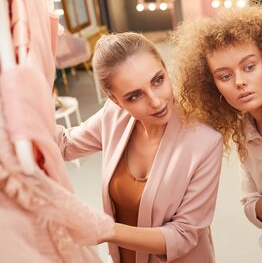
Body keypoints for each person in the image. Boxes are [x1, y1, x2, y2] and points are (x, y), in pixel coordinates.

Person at [56, 32, 223, 263]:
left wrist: (107, 230)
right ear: (115, 100)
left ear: (165, 68)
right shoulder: (113, 116)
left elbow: (183, 235)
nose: (156, 101)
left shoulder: (205, 142)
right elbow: (63, 145)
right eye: (135, 96)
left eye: (158, 80)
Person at [172, 5, 262, 262]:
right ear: (212, 85)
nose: (239, 81)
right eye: (225, 75)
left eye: (249, 67)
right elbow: (253, 208)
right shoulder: (244, 134)